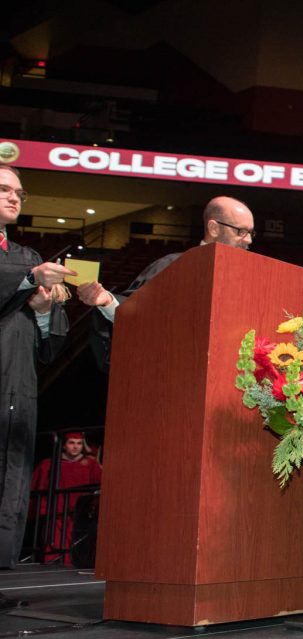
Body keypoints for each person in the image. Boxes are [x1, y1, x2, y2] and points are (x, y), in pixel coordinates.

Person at [78, 196, 255, 369]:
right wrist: (108, 301)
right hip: (174, 375)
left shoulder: (252, 279)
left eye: (251, 232)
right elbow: (135, 313)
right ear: (214, 228)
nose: (249, 240)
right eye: (241, 231)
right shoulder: (172, 266)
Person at [0, 165, 73, 569]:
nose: (14, 198)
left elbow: (49, 346)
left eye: (19, 193)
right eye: (4, 190)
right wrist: (30, 278)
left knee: (12, 482)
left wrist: (45, 311)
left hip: (19, 386)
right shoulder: (28, 266)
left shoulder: (27, 256)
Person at [29, 432, 102, 565]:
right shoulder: (49, 464)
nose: (75, 447)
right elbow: (37, 486)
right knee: (53, 543)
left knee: (77, 545)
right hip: (56, 512)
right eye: (71, 443)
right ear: (64, 446)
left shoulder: (91, 465)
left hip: (80, 514)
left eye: (79, 443)